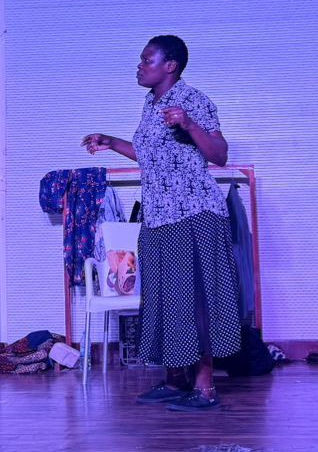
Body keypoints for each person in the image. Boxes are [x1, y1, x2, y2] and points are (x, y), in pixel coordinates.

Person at [82, 35, 240, 411]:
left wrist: (189, 125)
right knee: (167, 297)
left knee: (197, 297)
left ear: (170, 66)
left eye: (146, 60)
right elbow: (149, 155)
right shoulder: (150, 104)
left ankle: (204, 388)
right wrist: (111, 141)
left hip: (193, 213)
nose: (139, 67)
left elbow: (219, 155)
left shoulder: (193, 100)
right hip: (158, 215)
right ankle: (175, 380)